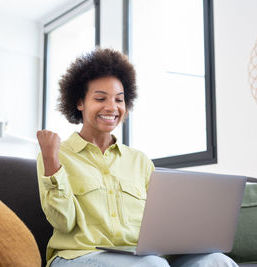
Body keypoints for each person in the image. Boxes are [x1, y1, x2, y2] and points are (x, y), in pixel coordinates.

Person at [36, 48, 238, 267]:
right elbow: (63, 223)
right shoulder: (56, 154)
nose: (112, 107)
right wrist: (51, 161)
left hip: (138, 256)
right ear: (79, 102)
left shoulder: (140, 161)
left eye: (119, 100)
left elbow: (162, 223)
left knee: (217, 261)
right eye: (100, 98)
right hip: (77, 256)